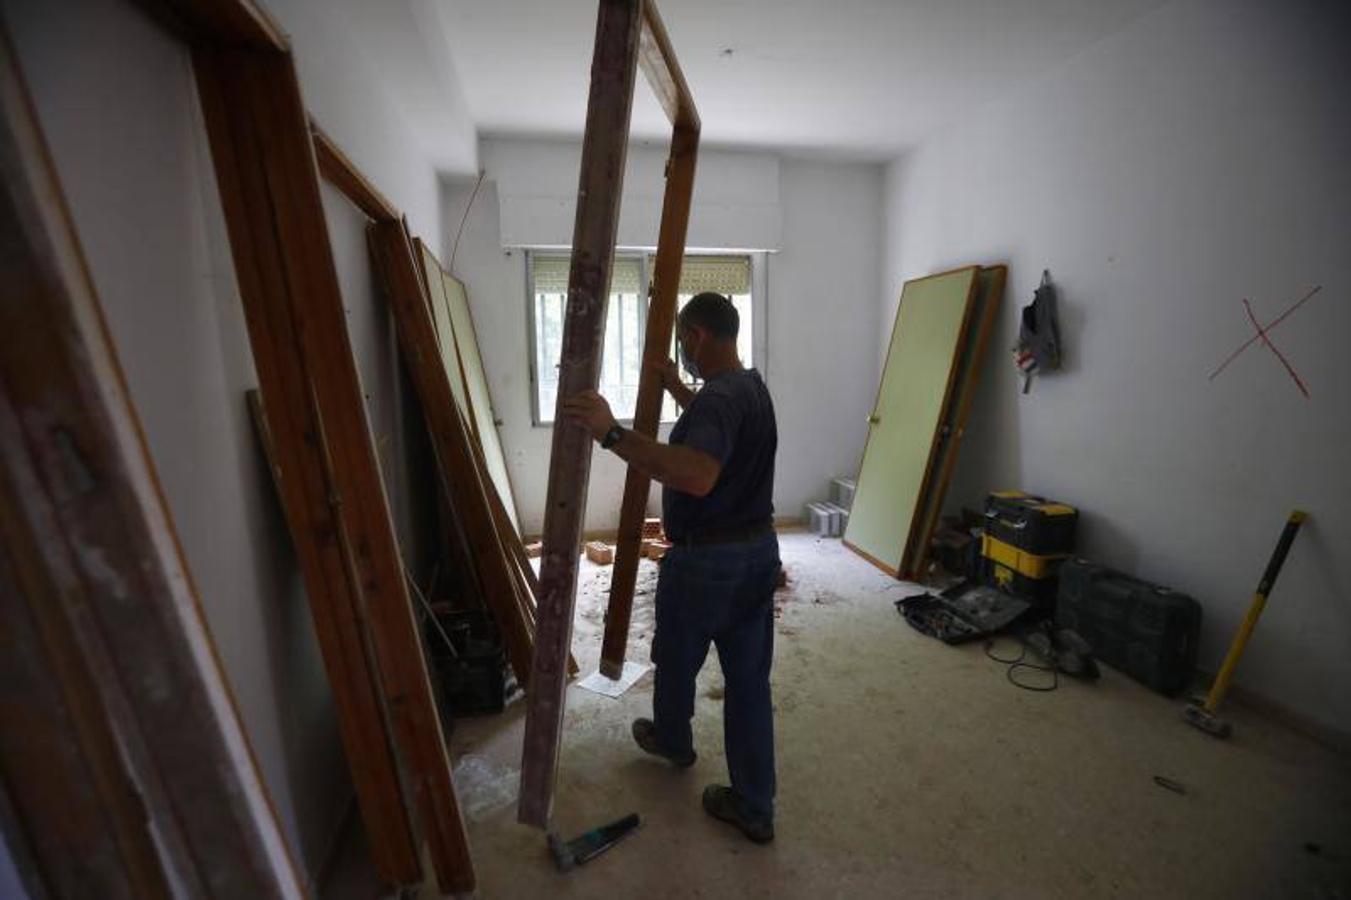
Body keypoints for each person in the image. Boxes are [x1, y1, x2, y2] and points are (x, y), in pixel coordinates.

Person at [563, 291, 780, 844]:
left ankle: (674, 742)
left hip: (708, 562)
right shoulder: (749, 388)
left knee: (677, 658)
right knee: (749, 682)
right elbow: (717, 427)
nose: (684, 349)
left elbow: (699, 473)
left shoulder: (717, 402)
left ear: (698, 337)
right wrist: (675, 389)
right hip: (758, 554)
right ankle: (756, 807)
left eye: (685, 340)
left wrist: (612, 434)